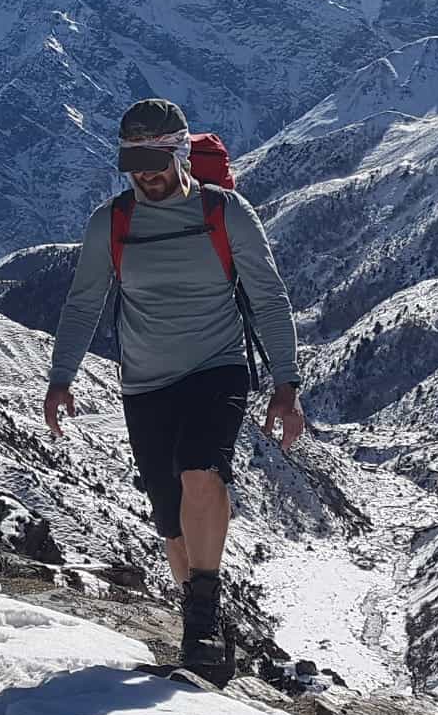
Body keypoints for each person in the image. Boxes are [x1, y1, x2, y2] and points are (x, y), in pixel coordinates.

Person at [43, 98, 303, 676]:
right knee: (170, 518)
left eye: (156, 159)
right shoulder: (110, 223)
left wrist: (287, 384)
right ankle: (198, 620)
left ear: (182, 152)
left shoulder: (226, 213)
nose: (145, 173)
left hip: (217, 367)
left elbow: (268, 296)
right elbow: (84, 303)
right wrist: (61, 379)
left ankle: (203, 626)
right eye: (133, 161)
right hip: (143, 383)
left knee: (200, 472)